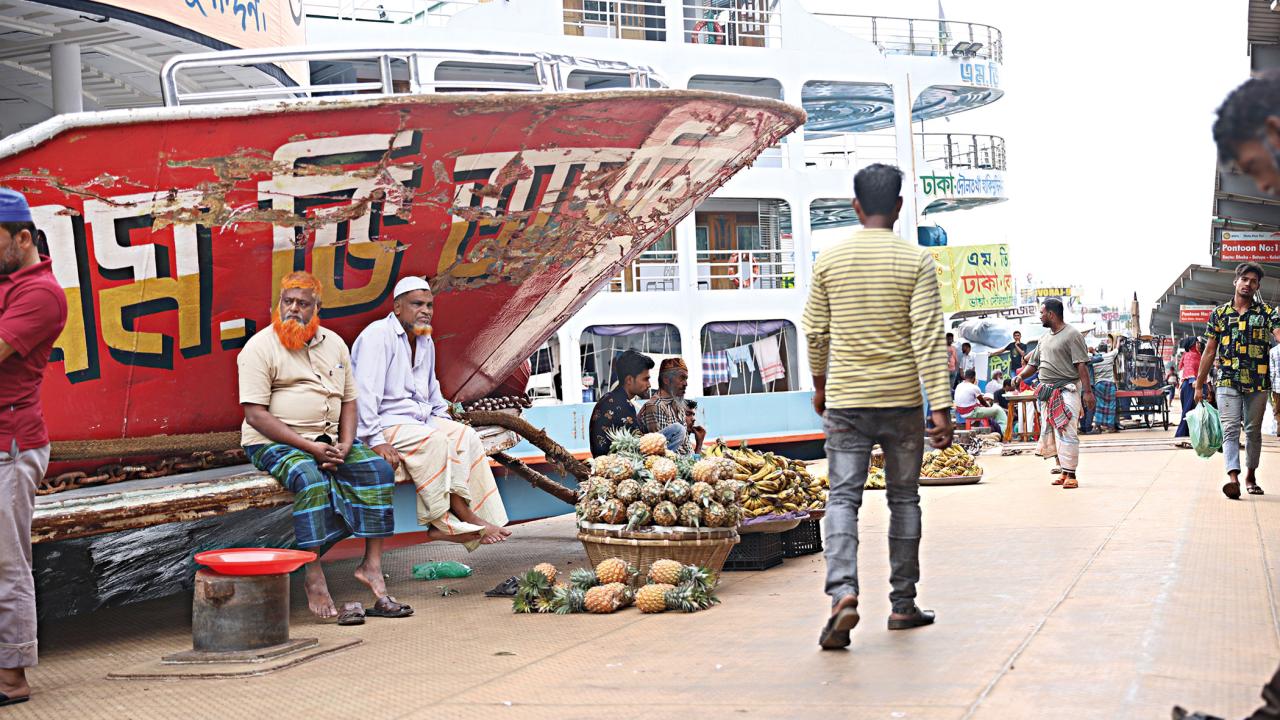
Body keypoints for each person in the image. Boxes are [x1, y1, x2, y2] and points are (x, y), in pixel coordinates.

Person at [802, 163, 953, 651]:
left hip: (846, 400)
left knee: (843, 498)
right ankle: (902, 605)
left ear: (856, 206)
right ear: (900, 207)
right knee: (903, 499)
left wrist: (820, 385)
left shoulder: (831, 260)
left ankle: (842, 594)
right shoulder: (916, 262)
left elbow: (816, 332)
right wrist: (942, 408)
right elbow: (929, 338)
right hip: (902, 402)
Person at [238, 271, 410, 623]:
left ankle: (372, 568)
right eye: (288, 302)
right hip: (275, 441)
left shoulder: (334, 343)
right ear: (278, 304)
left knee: (378, 469)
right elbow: (255, 416)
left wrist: (346, 445)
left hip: (329, 441)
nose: (293, 309)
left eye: (303, 303)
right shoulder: (259, 347)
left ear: (317, 308)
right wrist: (310, 448)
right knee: (311, 479)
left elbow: (349, 400)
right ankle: (313, 574)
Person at [351, 276, 511, 548]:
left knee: (464, 436)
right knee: (435, 441)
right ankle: (444, 522)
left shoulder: (426, 340)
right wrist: (375, 440)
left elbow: (432, 391)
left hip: (418, 420)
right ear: (398, 308)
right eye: (417, 304)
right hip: (384, 424)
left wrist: (445, 421)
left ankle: (479, 517)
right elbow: (363, 394)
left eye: (429, 305)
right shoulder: (377, 336)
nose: (425, 310)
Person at [0, 190, 67, 707]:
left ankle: (12, 678)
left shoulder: (41, 294)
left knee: (7, 563)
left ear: (23, 239)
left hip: (11, 447)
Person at [1193, 263, 1280, 499]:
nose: (1248, 284)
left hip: (1258, 382)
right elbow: (1209, 351)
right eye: (1244, 279)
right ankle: (1233, 478)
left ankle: (1251, 475)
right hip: (1227, 381)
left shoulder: (1267, 313)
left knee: (1253, 431)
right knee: (1230, 430)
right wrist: (1199, 384)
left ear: (1257, 286)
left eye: (1253, 281)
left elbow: (1278, 334)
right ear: (1236, 282)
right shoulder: (1219, 314)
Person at [1014, 298, 1095, 489]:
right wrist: (1019, 377)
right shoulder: (1044, 338)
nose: (1040, 316)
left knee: (1067, 431)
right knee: (1055, 433)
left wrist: (1088, 393)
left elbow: (1081, 365)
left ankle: (1071, 474)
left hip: (1067, 391)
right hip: (1048, 393)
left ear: (1051, 314)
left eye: (1042, 313)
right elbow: (1033, 364)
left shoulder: (1072, 335)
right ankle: (1063, 471)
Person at [588, 349, 654, 457]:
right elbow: (641, 444)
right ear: (629, 380)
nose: (649, 385)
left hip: (611, 462)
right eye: (645, 379)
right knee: (676, 430)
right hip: (617, 466)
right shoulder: (623, 405)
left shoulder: (610, 398)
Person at [638, 357, 705, 454]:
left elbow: (686, 447)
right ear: (666, 380)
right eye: (682, 378)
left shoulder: (678, 407)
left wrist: (698, 451)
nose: (686, 383)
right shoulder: (654, 406)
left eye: (686, 379)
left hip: (681, 463)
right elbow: (661, 451)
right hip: (665, 465)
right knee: (678, 429)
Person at [954, 369, 1006, 435]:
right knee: (997, 410)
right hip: (970, 413)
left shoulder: (959, 386)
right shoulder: (974, 387)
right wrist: (989, 408)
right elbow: (983, 402)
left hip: (962, 413)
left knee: (985, 412)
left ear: (965, 377)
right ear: (974, 378)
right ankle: (1004, 432)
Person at [1174, 337, 1203, 437]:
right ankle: (1180, 434)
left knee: (1194, 411)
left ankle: (1189, 433)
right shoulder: (1190, 355)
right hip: (1191, 385)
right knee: (1188, 410)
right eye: (1197, 343)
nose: (1199, 345)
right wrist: (1193, 381)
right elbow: (1189, 369)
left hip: (1194, 384)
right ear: (1192, 345)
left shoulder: (1197, 355)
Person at [1091, 342, 1120, 433]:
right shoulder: (1110, 355)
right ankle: (1110, 427)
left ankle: (1097, 426)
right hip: (1110, 384)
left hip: (1098, 384)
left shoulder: (1094, 359)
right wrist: (1118, 340)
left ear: (1098, 350)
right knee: (1111, 406)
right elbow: (1117, 348)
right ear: (1106, 350)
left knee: (1099, 405)